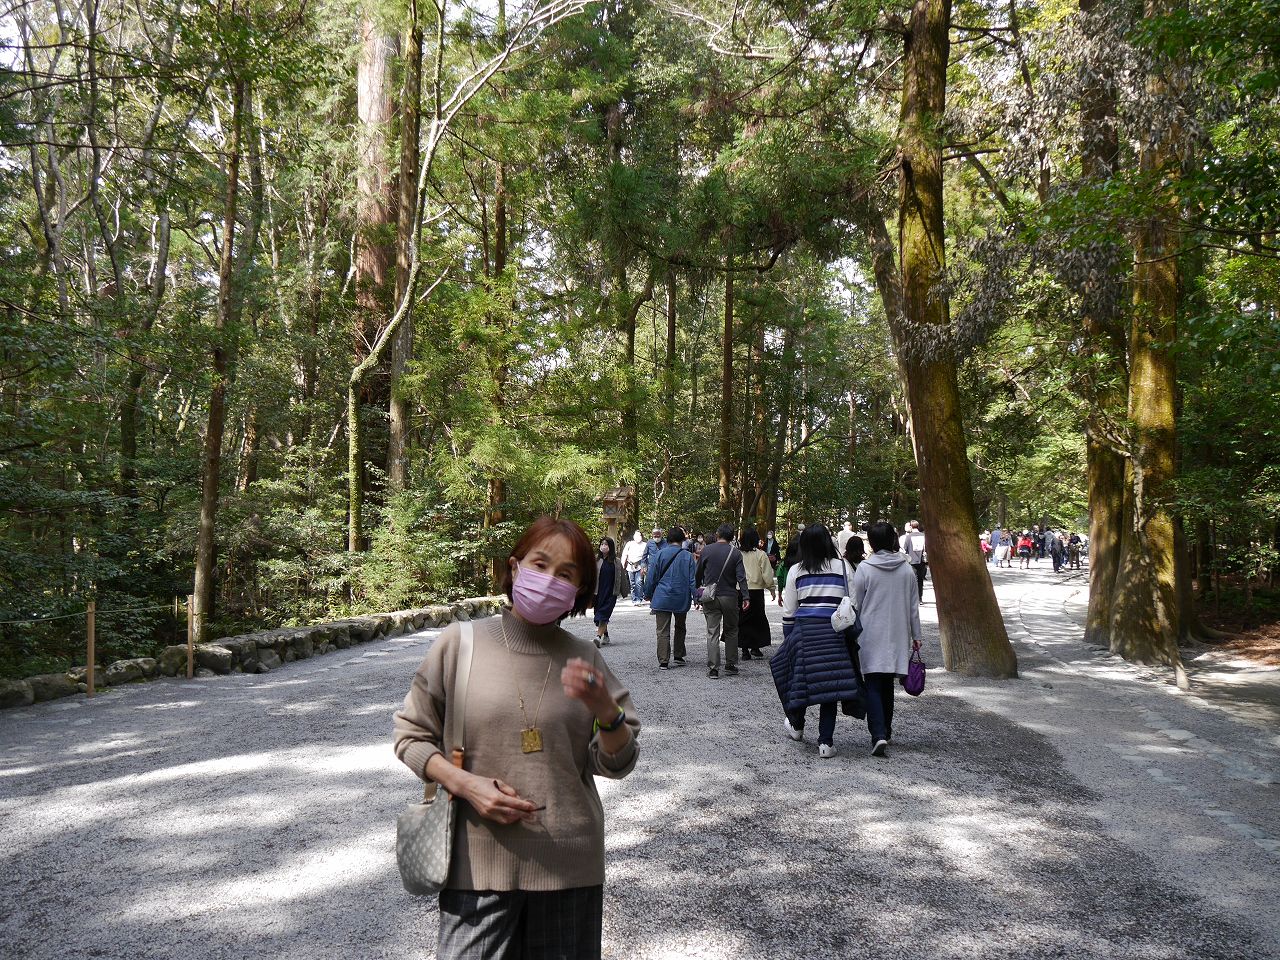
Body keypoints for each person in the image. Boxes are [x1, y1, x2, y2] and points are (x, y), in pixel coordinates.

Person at [393, 516, 640, 960]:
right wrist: (467, 785)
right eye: (540, 565)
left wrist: (606, 711)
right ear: (515, 567)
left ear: (578, 591)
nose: (549, 580)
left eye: (565, 574)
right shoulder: (460, 643)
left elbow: (618, 763)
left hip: (570, 867)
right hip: (475, 867)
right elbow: (411, 737)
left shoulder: (585, 658)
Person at [779, 524, 861, 758]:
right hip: (834, 634)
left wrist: (788, 640)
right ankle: (825, 742)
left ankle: (797, 725)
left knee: (801, 681)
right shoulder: (843, 567)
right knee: (829, 688)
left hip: (804, 633)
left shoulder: (796, 571)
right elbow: (853, 603)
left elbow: (789, 611)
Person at [851, 521, 922, 757]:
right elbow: (913, 607)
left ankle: (878, 733)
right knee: (887, 684)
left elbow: (856, 603)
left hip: (871, 632)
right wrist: (916, 635)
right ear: (893, 540)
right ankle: (886, 731)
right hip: (897, 633)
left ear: (871, 542)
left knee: (872, 682)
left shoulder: (865, 568)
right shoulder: (906, 569)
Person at [695, 523, 749, 679]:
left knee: (712, 631)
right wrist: (745, 596)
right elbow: (741, 577)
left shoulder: (706, 550)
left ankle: (713, 668)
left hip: (710, 596)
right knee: (731, 630)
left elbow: (698, 574)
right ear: (732, 537)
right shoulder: (735, 553)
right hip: (730, 596)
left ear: (717, 535)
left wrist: (697, 594)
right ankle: (731, 664)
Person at [644, 526, 697, 669]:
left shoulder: (660, 554)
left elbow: (651, 576)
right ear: (682, 540)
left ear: (668, 539)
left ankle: (663, 660)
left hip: (662, 596)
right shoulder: (688, 556)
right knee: (680, 626)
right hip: (681, 596)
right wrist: (696, 597)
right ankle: (678, 655)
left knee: (662, 629)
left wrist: (647, 593)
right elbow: (692, 580)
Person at [738, 530, 777, 659]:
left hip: (740, 590)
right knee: (757, 619)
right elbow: (767, 573)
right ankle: (755, 647)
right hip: (756, 591)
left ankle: (744, 650)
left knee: (742, 619)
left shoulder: (737, 554)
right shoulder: (761, 554)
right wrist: (771, 588)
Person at [593, 537, 625, 647]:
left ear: (610, 546)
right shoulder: (596, 560)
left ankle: (598, 637)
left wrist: (623, 591)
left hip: (611, 593)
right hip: (598, 592)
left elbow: (622, 577)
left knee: (603, 614)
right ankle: (605, 635)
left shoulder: (616, 561)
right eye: (602, 544)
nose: (603, 546)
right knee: (598, 615)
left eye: (606, 544)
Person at [901, 521, 928, 604]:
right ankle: (920, 598)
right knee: (920, 580)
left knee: (913, 580)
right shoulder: (923, 536)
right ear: (918, 526)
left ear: (911, 527)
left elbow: (905, 549)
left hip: (912, 561)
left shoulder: (908, 537)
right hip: (922, 560)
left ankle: (914, 598)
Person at [621, 531, 646, 603]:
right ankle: (634, 598)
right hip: (630, 566)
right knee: (632, 583)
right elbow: (624, 554)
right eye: (636, 535)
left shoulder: (645, 545)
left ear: (641, 536)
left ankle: (639, 598)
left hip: (640, 565)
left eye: (639, 535)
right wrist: (622, 564)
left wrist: (646, 566)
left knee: (639, 582)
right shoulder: (629, 544)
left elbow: (647, 556)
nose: (637, 537)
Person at [776, 540, 799, 606]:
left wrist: (779, 596)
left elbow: (780, 579)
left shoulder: (783, 564)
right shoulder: (803, 564)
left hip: (789, 591)